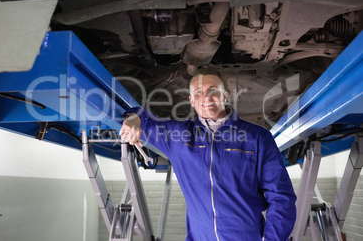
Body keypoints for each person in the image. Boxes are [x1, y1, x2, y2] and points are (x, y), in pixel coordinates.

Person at [119, 68, 296, 241]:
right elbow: (146, 118)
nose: (206, 97)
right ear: (191, 100)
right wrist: (134, 118)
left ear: (225, 95)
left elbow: (281, 197)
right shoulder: (178, 137)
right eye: (198, 92)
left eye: (213, 90)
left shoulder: (257, 137)